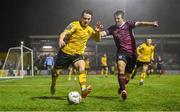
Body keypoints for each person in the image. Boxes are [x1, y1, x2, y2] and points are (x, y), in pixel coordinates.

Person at [100, 10, 158, 100]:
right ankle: (124, 91)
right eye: (115, 18)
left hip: (133, 54)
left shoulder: (129, 24)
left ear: (123, 18)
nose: (116, 20)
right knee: (120, 68)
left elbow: (141, 23)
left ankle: (122, 86)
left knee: (127, 78)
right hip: (121, 53)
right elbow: (102, 34)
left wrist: (152, 23)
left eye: (118, 18)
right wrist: (97, 32)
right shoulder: (112, 28)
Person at [50, 9, 102, 98]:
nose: (86, 21)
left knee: (82, 66)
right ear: (81, 18)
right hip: (65, 53)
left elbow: (98, 40)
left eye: (88, 19)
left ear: (91, 19)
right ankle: (53, 84)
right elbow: (64, 32)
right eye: (84, 18)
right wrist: (61, 39)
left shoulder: (90, 30)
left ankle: (83, 90)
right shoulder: (74, 24)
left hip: (77, 55)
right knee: (56, 74)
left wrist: (97, 31)